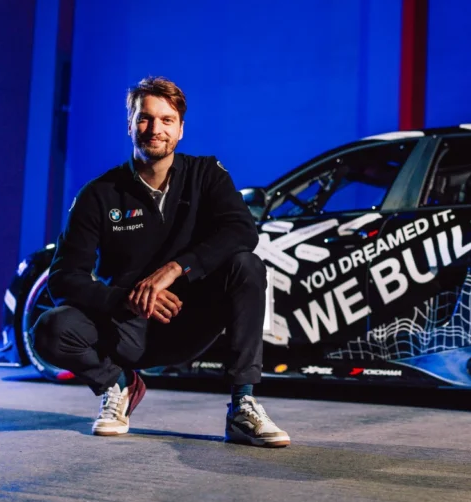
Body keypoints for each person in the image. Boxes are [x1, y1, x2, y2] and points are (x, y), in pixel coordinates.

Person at [32, 76, 289, 448]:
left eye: (167, 120)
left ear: (181, 129)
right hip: (125, 330)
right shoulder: (99, 194)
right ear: (130, 124)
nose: (155, 129)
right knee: (50, 329)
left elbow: (241, 231)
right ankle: (117, 384)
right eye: (145, 118)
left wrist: (175, 269)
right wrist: (125, 298)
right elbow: (63, 278)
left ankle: (242, 405)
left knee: (247, 265)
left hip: (191, 321)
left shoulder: (206, 174)